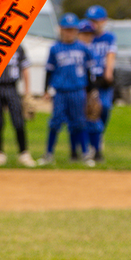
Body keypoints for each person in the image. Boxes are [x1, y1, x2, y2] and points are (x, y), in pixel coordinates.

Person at [39, 12, 96, 167]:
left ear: (77, 30)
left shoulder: (84, 49)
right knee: (55, 122)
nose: (69, 32)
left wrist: (91, 91)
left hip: (78, 90)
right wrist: (46, 89)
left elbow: (90, 72)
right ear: (61, 30)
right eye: (66, 29)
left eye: (72, 29)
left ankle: (85, 154)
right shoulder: (55, 48)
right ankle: (48, 154)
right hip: (60, 91)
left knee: (80, 123)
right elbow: (49, 71)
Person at [0, 44, 36, 167]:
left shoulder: (18, 46)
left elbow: (25, 67)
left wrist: (27, 90)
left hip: (12, 87)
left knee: (18, 122)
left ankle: (23, 153)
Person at [83, 5, 116, 163]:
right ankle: (91, 145)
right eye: (91, 20)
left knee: (105, 107)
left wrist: (108, 72)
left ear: (104, 21)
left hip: (103, 81)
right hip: (90, 80)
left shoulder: (108, 37)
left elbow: (111, 55)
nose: (93, 24)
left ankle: (99, 136)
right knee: (90, 112)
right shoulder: (85, 35)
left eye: (96, 20)